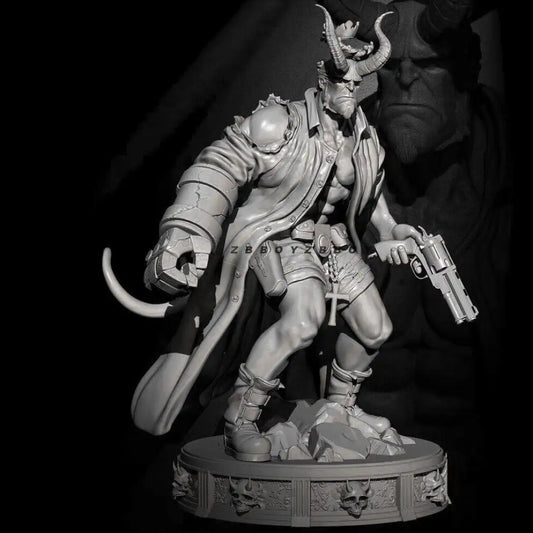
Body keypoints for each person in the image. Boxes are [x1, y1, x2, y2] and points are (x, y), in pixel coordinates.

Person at [130, 6, 427, 462]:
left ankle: (338, 409)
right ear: (323, 80)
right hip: (279, 241)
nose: (351, 88)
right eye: (342, 80)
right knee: (304, 320)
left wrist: (393, 231)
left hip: (333, 245)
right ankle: (241, 419)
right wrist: (187, 228)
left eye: (357, 82)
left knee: (376, 329)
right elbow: (218, 166)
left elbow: (372, 203)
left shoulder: (365, 139)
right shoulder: (279, 122)